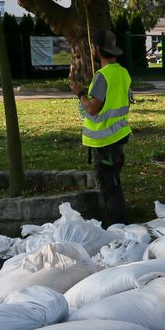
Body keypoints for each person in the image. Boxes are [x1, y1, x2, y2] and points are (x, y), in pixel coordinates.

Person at [71, 29, 131, 224]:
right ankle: (119, 222)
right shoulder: (122, 73)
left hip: (105, 141)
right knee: (114, 181)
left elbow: (92, 109)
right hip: (118, 135)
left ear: (97, 49)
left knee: (109, 186)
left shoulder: (102, 76)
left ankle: (117, 226)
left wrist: (80, 93)